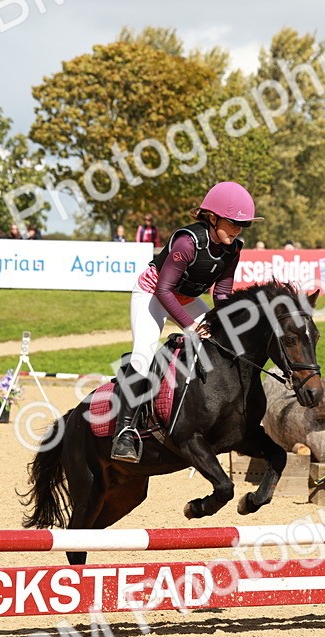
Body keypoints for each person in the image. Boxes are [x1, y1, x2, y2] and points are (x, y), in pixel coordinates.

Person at [110, 181, 262, 462]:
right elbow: (163, 290)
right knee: (143, 354)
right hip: (152, 293)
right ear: (213, 217)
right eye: (233, 223)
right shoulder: (187, 241)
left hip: (186, 298)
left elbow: (223, 293)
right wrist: (191, 326)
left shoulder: (233, 249)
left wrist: (226, 324)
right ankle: (124, 433)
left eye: (243, 225)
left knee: (222, 344)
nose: (238, 230)